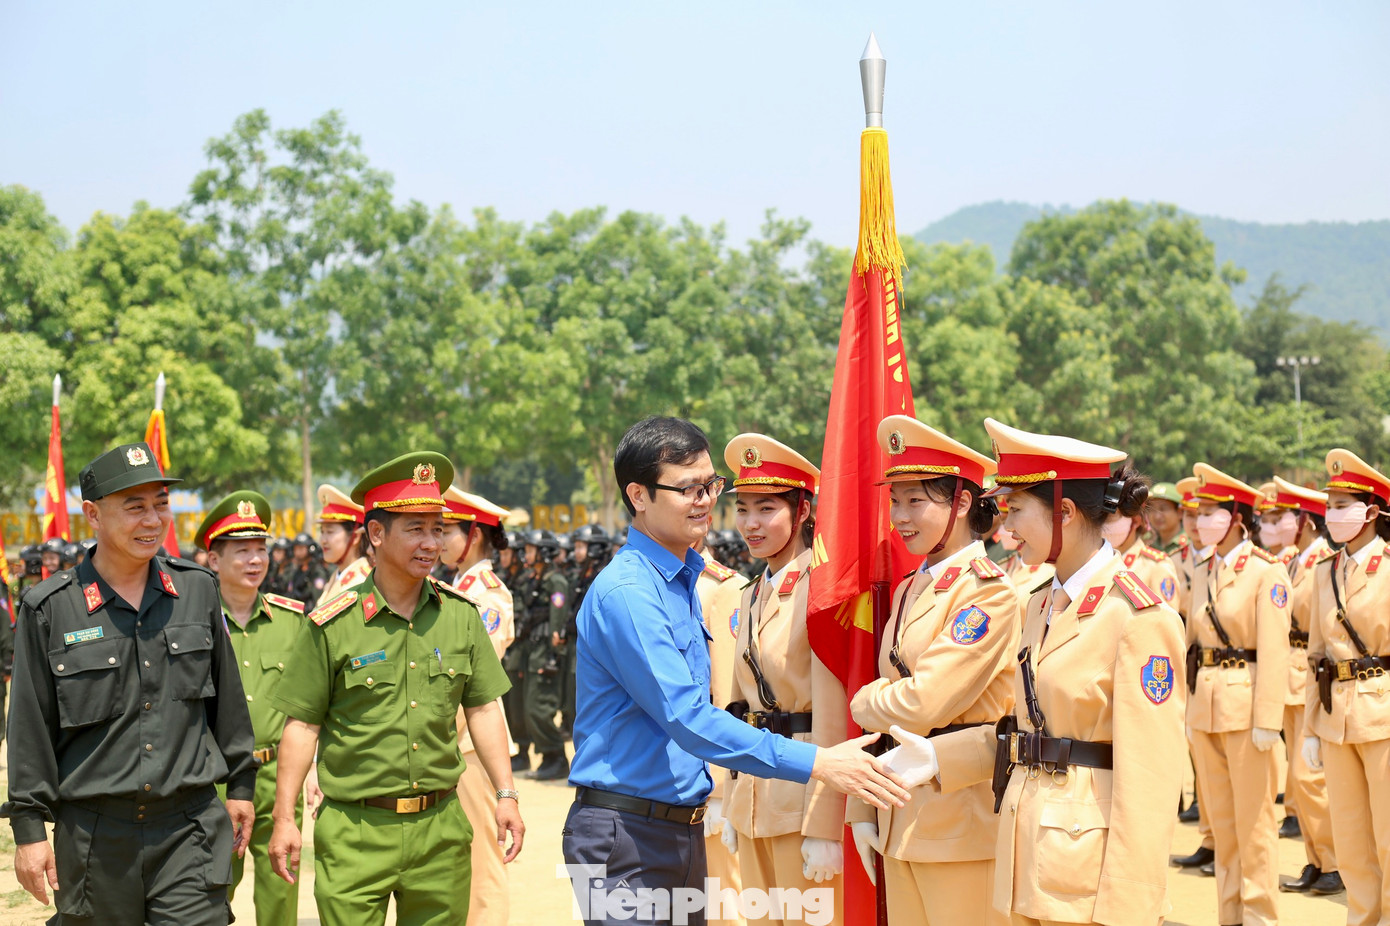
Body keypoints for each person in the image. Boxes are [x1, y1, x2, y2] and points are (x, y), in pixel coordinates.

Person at [564, 417, 911, 926]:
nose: (705, 500)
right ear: (638, 495)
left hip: (675, 828)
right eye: (687, 488)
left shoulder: (680, 580)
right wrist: (819, 764)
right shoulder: (631, 594)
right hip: (627, 835)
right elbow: (688, 718)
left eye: (710, 486)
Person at [3, 442, 257, 925]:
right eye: (134, 506)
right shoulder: (50, 607)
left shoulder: (197, 589)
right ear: (93, 514)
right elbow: (30, 730)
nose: (152, 520)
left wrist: (241, 785)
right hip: (96, 838)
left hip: (189, 830)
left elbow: (227, 703)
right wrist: (30, 831)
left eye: (160, 504)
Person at [266, 451, 522, 926]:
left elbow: (484, 709)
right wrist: (285, 819)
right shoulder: (332, 625)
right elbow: (302, 724)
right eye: (415, 529)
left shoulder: (461, 617)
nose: (431, 543)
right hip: (356, 833)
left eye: (437, 528)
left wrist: (506, 794)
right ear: (377, 535)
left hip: (440, 831)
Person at [978, 419, 1187, 925]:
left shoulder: (1137, 617)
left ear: (1065, 513)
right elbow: (1027, 732)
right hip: (1028, 861)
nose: (1005, 531)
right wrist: (933, 758)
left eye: (1016, 511)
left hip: (1088, 882)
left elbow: (1150, 780)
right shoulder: (1039, 604)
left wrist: (1129, 908)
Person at [847, 416, 1019, 926]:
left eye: (915, 500)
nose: (899, 516)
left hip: (960, 823)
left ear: (962, 504)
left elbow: (925, 703)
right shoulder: (909, 587)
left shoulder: (988, 591)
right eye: (894, 499)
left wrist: (864, 702)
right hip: (901, 814)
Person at [714, 433, 847, 924]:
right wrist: (730, 797)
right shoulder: (751, 592)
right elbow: (735, 702)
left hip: (802, 791)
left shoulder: (821, 591)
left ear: (803, 511)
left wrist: (826, 823)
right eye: (742, 509)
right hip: (754, 792)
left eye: (765, 508)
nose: (750, 524)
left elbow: (834, 712)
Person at [1186, 462, 1292, 926]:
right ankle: (1230, 915)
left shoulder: (1266, 572)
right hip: (1206, 704)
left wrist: (1270, 719)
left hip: (1247, 706)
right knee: (1224, 829)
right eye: (1199, 512)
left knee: (1254, 828)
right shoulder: (1205, 566)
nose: (1200, 521)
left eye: (1211, 512)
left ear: (1235, 517)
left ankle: (1260, 917)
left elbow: (1274, 651)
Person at [196, 490, 307, 925]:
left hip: (279, 777)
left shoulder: (294, 622)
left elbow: (308, 707)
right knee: (210, 890)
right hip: (215, 780)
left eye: (261, 550)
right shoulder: (193, 623)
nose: (255, 560)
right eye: (241, 551)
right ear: (214, 560)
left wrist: (309, 774)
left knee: (281, 891)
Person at [1303, 450, 1390, 923]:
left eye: (1343, 505)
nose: (1332, 514)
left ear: (1372, 511)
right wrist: (1310, 729)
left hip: (1384, 711)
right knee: (1352, 840)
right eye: (1329, 505)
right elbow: (1315, 655)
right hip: (1335, 716)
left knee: (1389, 836)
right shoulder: (1324, 572)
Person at [442, 485, 517, 926]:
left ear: (475, 535)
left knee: (483, 862)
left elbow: (471, 676)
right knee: (457, 859)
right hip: (454, 742)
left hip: (472, 743)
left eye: (448, 530)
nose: (438, 539)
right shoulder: (457, 587)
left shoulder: (486, 593)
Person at [1264, 477, 1341, 894]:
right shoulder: (1294, 560)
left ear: (1305, 523)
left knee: (1311, 776)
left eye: (1285, 518)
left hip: (1313, 676)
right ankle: (1317, 859)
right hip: (1294, 674)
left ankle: (1334, 861)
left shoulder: (1322, 561)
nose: (1276, 526)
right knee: (1299, 775)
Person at [692, 532, 749, 926]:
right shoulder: (655, 580)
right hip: (666, 772)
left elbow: (727, 696)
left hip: (705, 773)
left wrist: (720, 788)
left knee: (721, 895)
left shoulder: (723, 588)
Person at [509, 528, 570, 780]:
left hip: (546, 653)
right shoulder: (535, 579)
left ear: (543, 552)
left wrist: (554, 655)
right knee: (528, 709)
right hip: (532, 652)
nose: (527, 554)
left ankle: (556, 757)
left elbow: (557, 621)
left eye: (532, 549)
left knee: (539, 709)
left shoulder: (556, 581)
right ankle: (548, 758)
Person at [1101, 494, 1181, 609]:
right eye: (1102, 517)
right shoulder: (1100, 561)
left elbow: (1165, 622)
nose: (1105, 525)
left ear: (1136, 521)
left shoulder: (1155, 565)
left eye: (1112, 517)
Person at [316, 484, 371, 607]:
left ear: (355, 536)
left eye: (330, 532)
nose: (323, 540)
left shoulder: (363, 581)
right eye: (322, 532)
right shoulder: (337, 575)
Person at [1147, 482, 1188, 555]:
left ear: (1180, 512)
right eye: (1152, 509)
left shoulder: (1190, 544)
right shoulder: (1146, 543)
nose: (1157, 516)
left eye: (1163, 509)